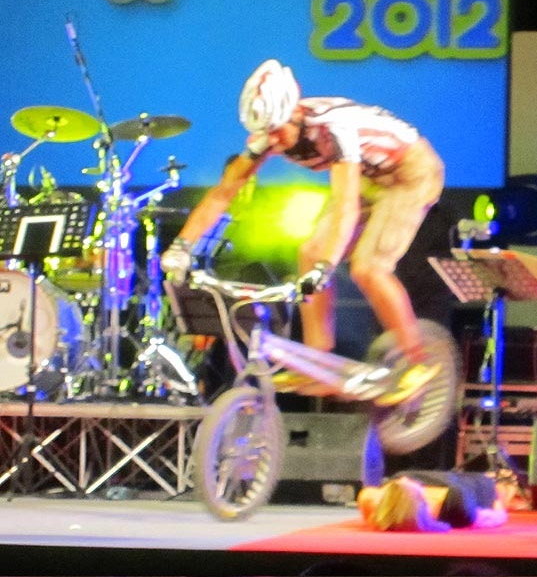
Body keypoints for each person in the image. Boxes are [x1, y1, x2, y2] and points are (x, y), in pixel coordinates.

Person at [160, 59, 445, 405]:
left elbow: (345, 205)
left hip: (410, 174)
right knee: (309, 252)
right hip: (370, 176)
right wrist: (182, 246)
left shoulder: (334, 129)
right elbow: (224, 192)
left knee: (368, 268)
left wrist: (326, 268)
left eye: (279, 132)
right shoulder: (268, 135)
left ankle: (417, 362)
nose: (275, 142)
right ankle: (318, 362)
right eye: (268, 134)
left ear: (294, 114)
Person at [357, 470, 512, 531]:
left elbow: (366, 495)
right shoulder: (458, 504)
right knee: (498, 488)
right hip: (471, 486)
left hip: (465, 482)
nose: (404, 480)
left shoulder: (398, 483)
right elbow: (498, 516)